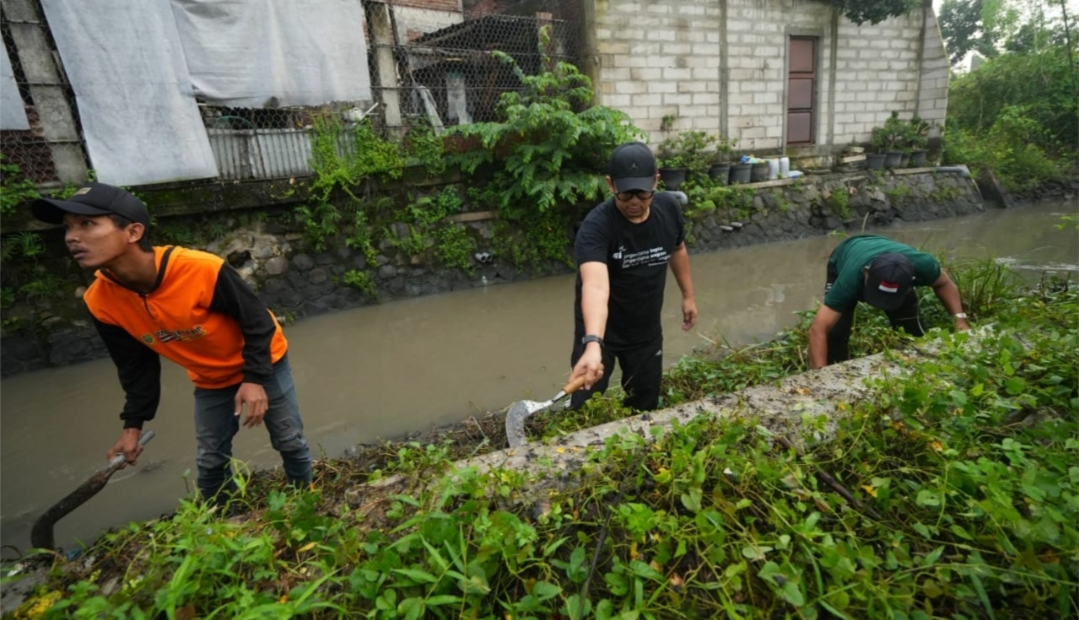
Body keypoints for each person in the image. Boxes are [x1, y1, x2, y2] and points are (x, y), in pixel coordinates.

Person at [31, 183, 313, 505]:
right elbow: (136, 367)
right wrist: (132, 427)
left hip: (265, 363)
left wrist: (253, 378)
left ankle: (304, 503)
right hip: (211, 380)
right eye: (68, 227)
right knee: (210, 461)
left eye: (87, 224)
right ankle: (225, 520)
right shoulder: (101, 301)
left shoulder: (200, 269)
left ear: (133, 231)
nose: (71, 237)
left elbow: (258, 323)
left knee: (289, 440)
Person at [569, 141, 698, 411]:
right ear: (611, 185)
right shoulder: (597, 227)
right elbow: (595, 287)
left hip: (646, 329)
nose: (635, 202)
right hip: (601, 331)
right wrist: (592, 343)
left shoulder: (669, 209)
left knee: (644, 403)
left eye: (642, 193)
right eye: (626, 195)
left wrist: (688, 296)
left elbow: (678, 248)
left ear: (656, 181)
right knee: (584, 404)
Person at [808, 234, 970, 369]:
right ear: (867, 273)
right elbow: (818, 329)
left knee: (910, 327)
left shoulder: (923, 264)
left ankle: (912, 365)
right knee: (836, 333)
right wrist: (819, 376)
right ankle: (837, 369)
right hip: (847, 253)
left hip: (892, 267)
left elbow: (945, 283)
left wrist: (960, 319)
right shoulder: (849, 279)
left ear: (912, 280)